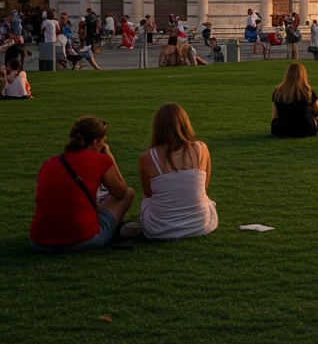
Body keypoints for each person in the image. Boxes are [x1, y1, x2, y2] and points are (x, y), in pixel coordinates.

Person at [29, 116, 135, 253]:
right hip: (82, 240)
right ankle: (110, 231)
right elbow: (122, 192)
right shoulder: (99, 160)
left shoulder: (50, 163)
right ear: (96, 141)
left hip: (39, 242)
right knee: (129, 193)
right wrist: (109, 155)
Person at [125, 103, 218, 240]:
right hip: (200, 225)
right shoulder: (201, 149)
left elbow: (149, 194)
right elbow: (204, 185)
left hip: (158, 229)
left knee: (148, 202)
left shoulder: (147, 157)